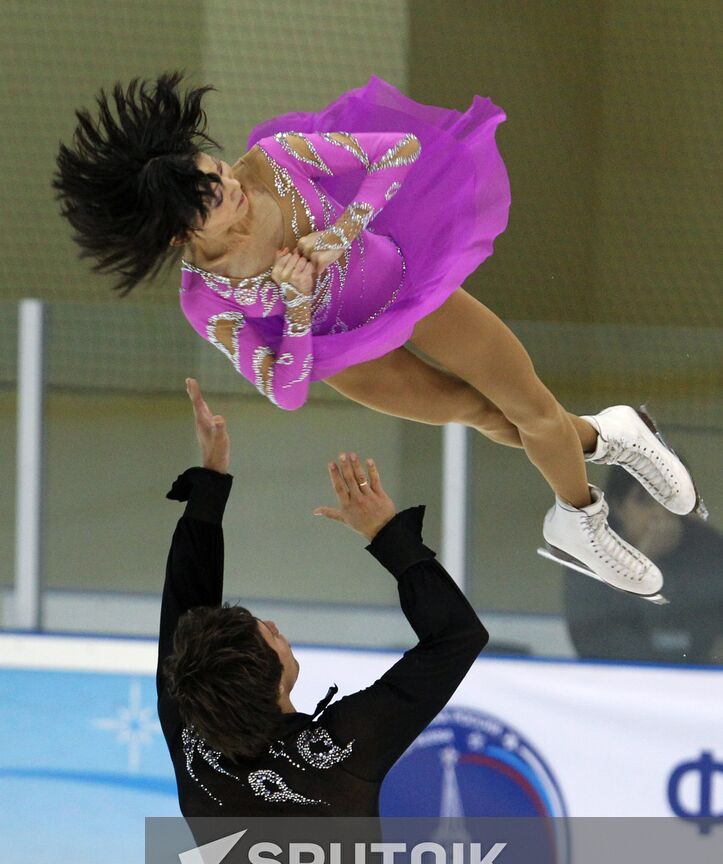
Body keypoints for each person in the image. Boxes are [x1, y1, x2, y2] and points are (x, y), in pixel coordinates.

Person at [54, 73, 703, 600]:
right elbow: (285, 390)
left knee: (530, 408)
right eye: (215, 197)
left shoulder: (273, 161)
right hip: (346, 354)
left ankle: (576, 516)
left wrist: (342, 232)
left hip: (406, 284)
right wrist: (297, 307)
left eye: (218, 170)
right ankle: (606, 437)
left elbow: (397, 151)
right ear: (181, 233)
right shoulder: (206, 299)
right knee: (482, 414)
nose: (231, 187)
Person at [157, 377, 489, 864]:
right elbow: (457, 636)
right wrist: (387, 535)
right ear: (273, 676)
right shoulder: (340, 750)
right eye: (269, 635)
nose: (276, 629)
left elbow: (184, 609)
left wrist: (211, 482)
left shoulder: (193, 741)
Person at [564, 465, 723, 664]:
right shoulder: (592, 554)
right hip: (619, 675)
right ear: (618, 507)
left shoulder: (707, 548)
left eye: (670, 502)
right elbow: (592, 639)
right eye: (645, 501)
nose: (660, 513)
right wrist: (641, 564)